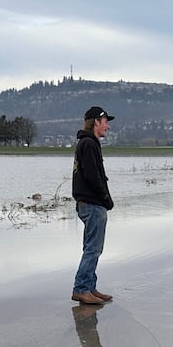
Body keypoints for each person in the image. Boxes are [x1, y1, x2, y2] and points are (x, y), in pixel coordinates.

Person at [71, 106, 115, 305]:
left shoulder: (89, 143)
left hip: (89, 203)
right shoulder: (88, 143)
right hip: (92, 204)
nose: (107, 126)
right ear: (96, 122)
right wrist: (106, 199)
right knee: (93, 249)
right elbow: (93, 176)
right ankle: (81, 289)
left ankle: (89, 287)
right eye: (105, 121)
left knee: (92, 248)